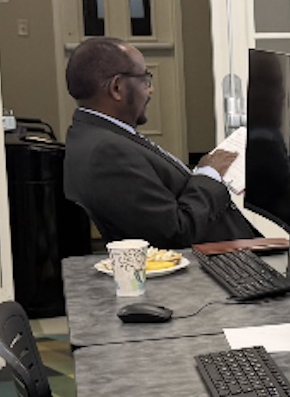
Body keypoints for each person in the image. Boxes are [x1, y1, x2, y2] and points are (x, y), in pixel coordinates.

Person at [62, 40, 256, 250]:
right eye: (145, 80)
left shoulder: (95, 133)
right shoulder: (106, 153)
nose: (151, 90)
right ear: (117, 87)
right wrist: (210, 175)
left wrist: (207, 175)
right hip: (223, 260)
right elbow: (175, 233)